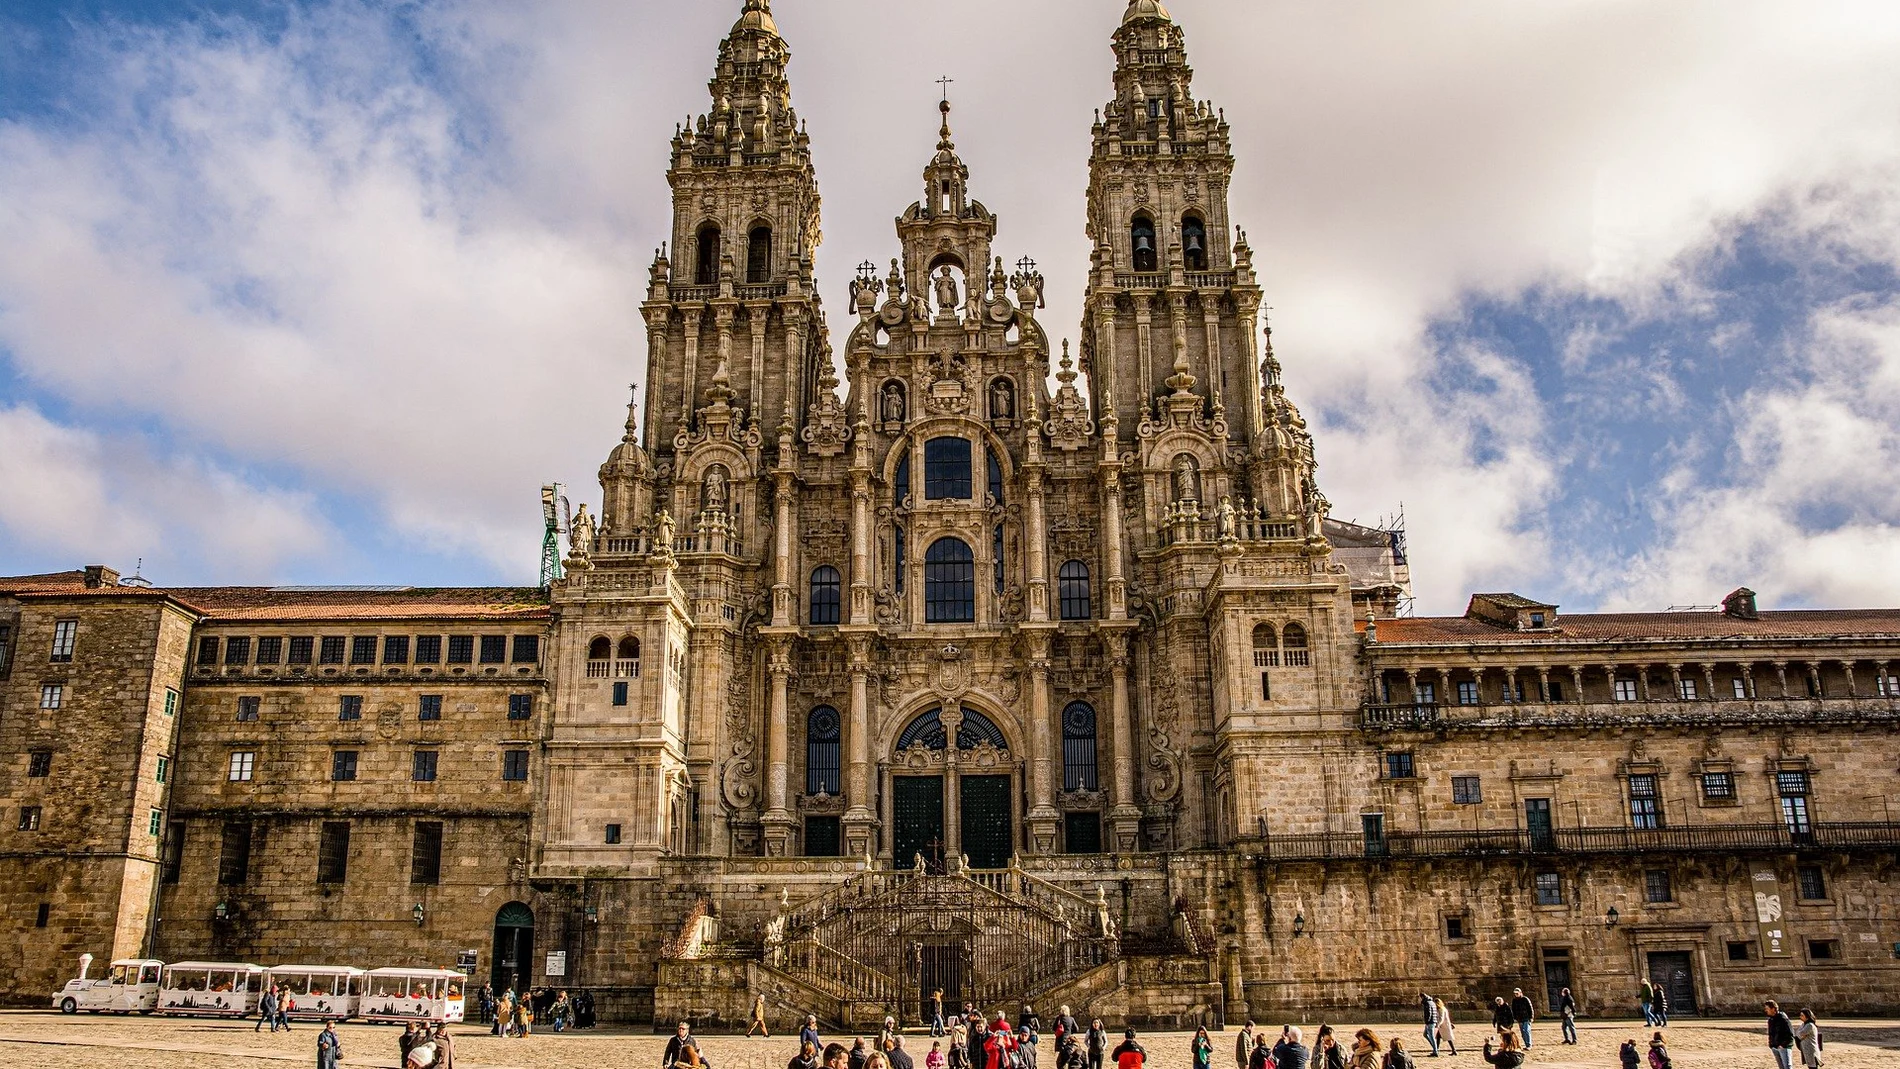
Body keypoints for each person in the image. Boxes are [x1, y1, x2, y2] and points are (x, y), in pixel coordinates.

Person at [1767, 1000, 1796, 1069]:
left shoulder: (1783, 1019)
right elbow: (1771, 1033)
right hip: (1775, 1046)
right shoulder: (1770, 1020)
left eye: (1767, 1008)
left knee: (1787, 1066)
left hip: (1783, 1047)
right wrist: (1771, 1044)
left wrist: (1783, 1045)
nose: (1766, 1010)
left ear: (1773, 1009)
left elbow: (1790, 1033)